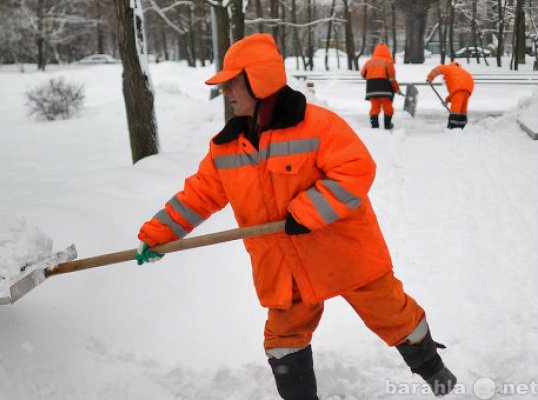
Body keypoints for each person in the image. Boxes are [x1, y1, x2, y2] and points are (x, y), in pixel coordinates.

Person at [135, 33, 457, 399]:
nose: (226, 91)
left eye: (232, 83)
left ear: (258, 80)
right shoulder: (225, 147)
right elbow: (199, 195)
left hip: (344, 253)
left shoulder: (318, 127)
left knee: (393, 315)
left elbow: (356, 170)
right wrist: (159, 233)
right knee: (282, 340)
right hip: (284, 266)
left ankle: (435, 373)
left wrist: (306, 211)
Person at [361, 43, 401, 129]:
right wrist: (397, 89)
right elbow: (391, 79)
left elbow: (363, 74)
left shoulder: (368, 62)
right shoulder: (388, 62)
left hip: (372, 89)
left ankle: (374, 125)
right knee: (388, 108)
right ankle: (387, 124)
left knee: (374, 108)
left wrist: (372, 78)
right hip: (385, 90)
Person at [427, 61, 474, 129]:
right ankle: (462, 125)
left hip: (458, 88)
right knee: (462, 109)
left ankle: (452, 126)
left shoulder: (449, 68)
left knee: (455, 108)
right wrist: (447, 100)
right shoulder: (463, 71)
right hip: (468, 89)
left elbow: (438, 69)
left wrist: (430, 78)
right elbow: (456, 95)